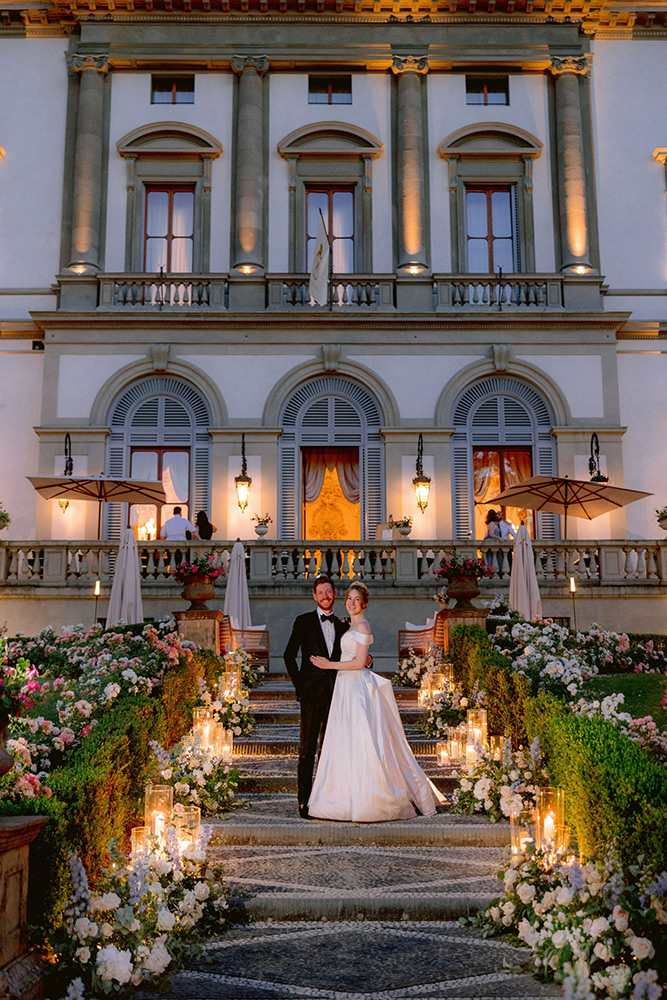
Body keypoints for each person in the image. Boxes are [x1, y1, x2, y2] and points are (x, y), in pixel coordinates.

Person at [308, 582, 444, 823]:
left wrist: (330, 665)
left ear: (364, 603)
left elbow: (360, 662)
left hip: (356, 687)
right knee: (344, 740)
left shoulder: (362, 624)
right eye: (348, 599)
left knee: (364, 740)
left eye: (356, 600)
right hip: (345, 687)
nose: (351, 603)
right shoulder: (350, 625)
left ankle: (370, 799)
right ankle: (342, 797)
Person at [283, 575, 348, 818]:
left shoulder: (344, 625)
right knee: (307, 748)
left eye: (329, 592)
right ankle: (304, 800)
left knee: (331, 749)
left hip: (338, 694)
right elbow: (289, 656)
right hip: (311, 695)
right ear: (314, 596)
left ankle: (326, 798)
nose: (325, 596)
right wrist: (300, 687)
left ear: (334, 594)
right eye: (321, 592)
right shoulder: (303, 621)